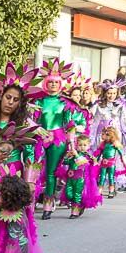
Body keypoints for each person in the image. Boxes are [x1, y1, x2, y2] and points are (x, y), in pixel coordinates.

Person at [33, 59, 89, 219]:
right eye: (50, 82)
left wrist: (72, 145)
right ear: (46, 83)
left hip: (58, 139)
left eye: (56, 83)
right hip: (39, 138)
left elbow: (70, 125)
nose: (53, 85)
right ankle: (32, 203)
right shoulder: (38, 101)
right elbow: (33, 120)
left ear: (60, 84)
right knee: (34, 172)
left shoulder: (65, 102)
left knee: (52, 173)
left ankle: (49, 206)